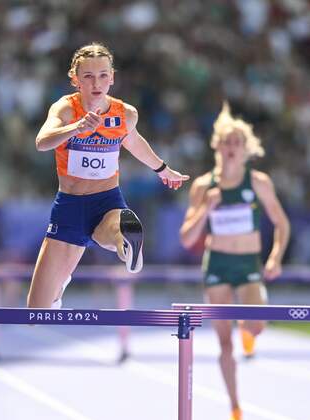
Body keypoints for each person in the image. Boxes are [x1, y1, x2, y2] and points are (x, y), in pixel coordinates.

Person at [27, 43, 189, 308]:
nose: (96, 83)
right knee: (36, 312)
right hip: (69, 207)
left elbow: (134, 142)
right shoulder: (65, 109)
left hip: (107, 202)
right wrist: (76, 128)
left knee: (114, 229)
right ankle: (60, 284)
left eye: (103, 75)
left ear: (112, 78)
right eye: (88, 76)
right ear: (75, 79)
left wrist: (162, 169)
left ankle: (125, 240)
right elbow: (42, 141)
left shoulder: (125, 114)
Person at [179, 103, 290, 420]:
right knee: (224, 343)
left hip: (248, 264)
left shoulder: (258, 183)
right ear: (216, 146)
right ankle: (235, 407)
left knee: (256, 325)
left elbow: (282, 224)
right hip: (218, 265)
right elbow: (187, 237)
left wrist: (276, 257)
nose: (230, 148)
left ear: (246, 150)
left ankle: (250, 329)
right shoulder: (203, 186)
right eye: (225, 142)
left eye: (236, 143)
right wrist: (205, 208)